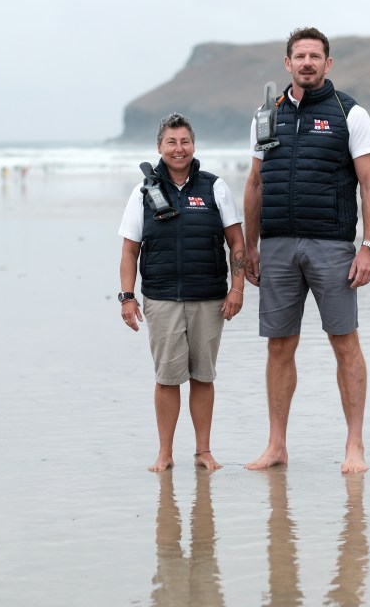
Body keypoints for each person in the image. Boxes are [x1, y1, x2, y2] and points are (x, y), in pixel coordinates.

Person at [244, 27, 370, 474]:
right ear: (287, 63)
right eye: (299, 56)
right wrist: (249, 245)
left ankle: (354, 447)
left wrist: (368, 247)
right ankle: (276, 446)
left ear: (328, 63)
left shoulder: (350, 112)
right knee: (279, 347)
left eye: (315, 56)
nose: (307, 62)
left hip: (332, 245)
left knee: (345, 343)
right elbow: (255, 183)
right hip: (278, 245)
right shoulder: (266, 114)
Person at [118, 113, 246, 472]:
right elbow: (130, 249)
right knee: (167, 378)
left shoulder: (214, 187)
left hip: (210, 298)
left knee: (203, 376)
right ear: (160, 147)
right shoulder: (142, 193)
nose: (179, 149)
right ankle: (165, 453)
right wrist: (127, 297)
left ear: (194, 145)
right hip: (161, 299)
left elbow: (236, 242)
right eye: (171, 142)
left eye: (185, 141)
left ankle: (203, 451)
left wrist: (237, 288)